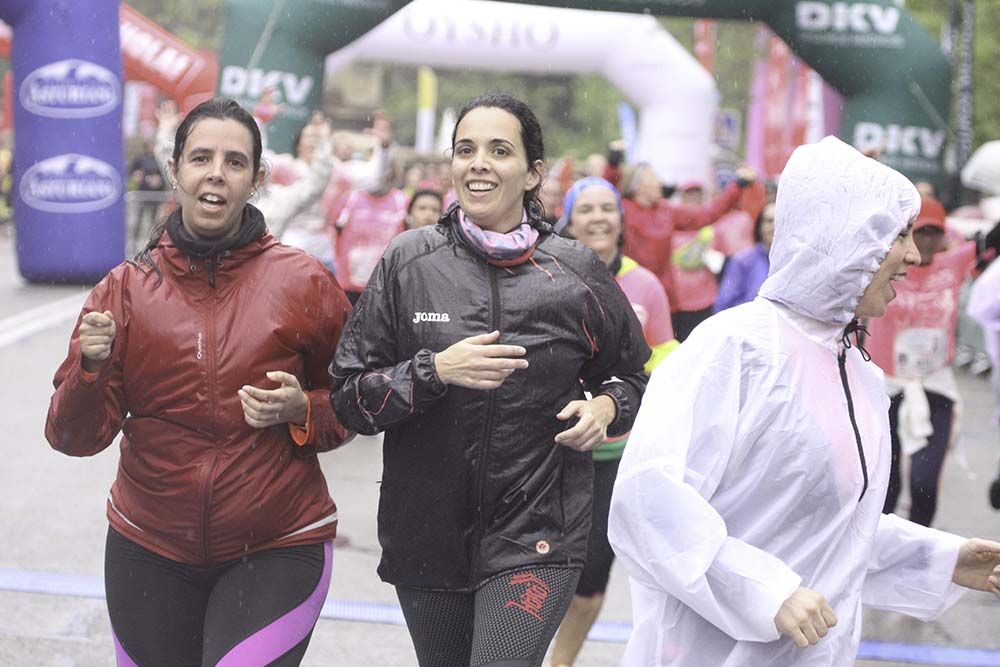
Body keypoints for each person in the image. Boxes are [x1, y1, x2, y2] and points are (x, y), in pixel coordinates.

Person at [608, 136, 1000, 666]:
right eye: (897, 235)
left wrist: (944, 559)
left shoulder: (858, 372)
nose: (912, 255)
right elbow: (647, 502)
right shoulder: (735, 349)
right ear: (846, 238)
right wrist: (764, 592)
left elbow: (831, 532)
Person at [330, 93, 650, 667]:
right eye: (465, 149)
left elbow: (631, 375)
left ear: (532, 173)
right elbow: (350, 397)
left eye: (499, 150)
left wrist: (605, 408)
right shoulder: (408, 261)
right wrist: (435, 371)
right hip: (427, 529)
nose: (478, 163)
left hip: (536, 530)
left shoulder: (573, 271)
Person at [46, 98, 353, 667]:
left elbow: (354, 405)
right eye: (202, 158)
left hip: (277, 546)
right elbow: (72, 437)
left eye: (235, 162)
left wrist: (302, 409)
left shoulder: (304, 281)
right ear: (176, 170)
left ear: (257, 179)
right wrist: (90, 372)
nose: (216, 172)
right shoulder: (125, 289)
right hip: (149, 547)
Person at [550, 176, 677, 667]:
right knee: (539, 564)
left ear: (621, 219)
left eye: (608, 207)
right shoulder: (546, 272)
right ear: (569, 219)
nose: (599, 217)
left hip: (617, 455)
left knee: (591, 574)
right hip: (552, 448)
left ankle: (561, 662)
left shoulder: (645, 284)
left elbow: (665, 361)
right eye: (587, 209)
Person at [866, 196, 976, 527]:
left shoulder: (954, 264)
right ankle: (878, 554)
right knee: (885, 485)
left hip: (934, 385)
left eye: (934, 233)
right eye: (920, 232)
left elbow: (993, 240)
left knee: (924, 484)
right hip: (887, 384)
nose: (926, 241)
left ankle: (918, 555)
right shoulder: (887, 262)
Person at [619, 162, 755, 340]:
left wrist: (736, 188)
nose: (659, 182)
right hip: (629, 295)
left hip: (665, 296)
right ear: (637, 185)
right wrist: (614, 165)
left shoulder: (666, 210)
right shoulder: (621, 209)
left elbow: (705, 215)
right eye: (653, 177)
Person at [714, 201, 776, 312]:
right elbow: (723, 305)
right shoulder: (743, 261)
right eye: (769, 221)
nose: (774, 226)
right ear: (760, 226)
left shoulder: (794, 261)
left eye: (779, 220)